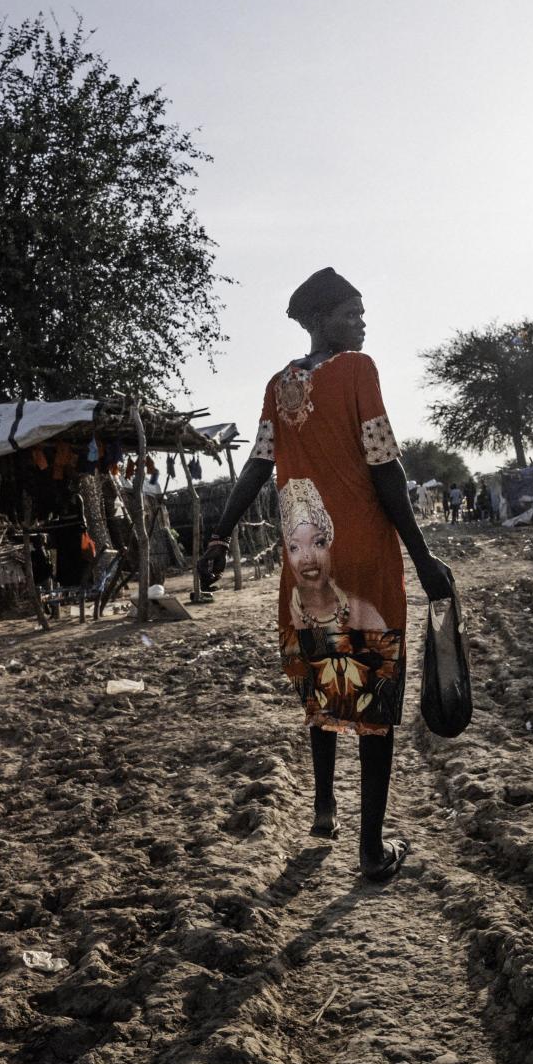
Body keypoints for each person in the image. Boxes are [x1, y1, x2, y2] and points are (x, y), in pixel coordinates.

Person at [199, 267, 452, 883]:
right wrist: (422, 558)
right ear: (318, 320)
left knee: (325, 682)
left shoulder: (277, 386)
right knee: (373, 702)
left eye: (363, 313)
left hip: (307, 564)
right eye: (350, 314)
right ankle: (370, 849)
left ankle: (322, 808)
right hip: (365, 562)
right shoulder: (358, 373)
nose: (361, 323)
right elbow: (386, 468)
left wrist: (218, 534)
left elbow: (255, 469)